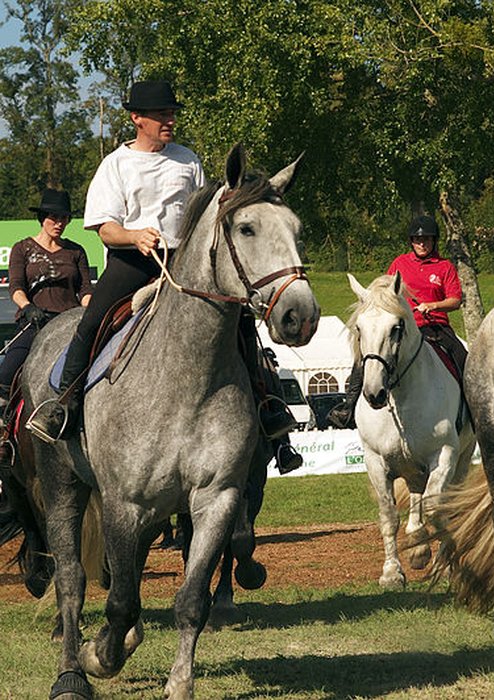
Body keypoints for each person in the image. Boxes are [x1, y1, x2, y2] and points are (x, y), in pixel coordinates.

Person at [28, 80, 302, 473]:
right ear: (137, 118)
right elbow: (105, 229)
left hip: (183, 264)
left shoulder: (187, 160)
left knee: (242, 325)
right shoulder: (116, 165)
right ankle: (63, 403)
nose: (169, 120)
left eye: (171, 113)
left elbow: (202, 218)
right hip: (133, 261)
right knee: (93, 320)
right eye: (161, 114)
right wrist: (134, 235)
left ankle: (269, 411)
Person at [328, 213, 466, 429]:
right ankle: (348, 407)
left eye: (427, 239)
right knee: (367, 356)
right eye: (417, 240)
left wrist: (433, 305)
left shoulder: (444, 267)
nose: (422, 243)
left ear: (434, 241)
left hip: (435, 327)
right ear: (411, 241)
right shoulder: (400, 263)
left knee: (463, 359)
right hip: (399, 329)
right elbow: (385, 293)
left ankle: (473, 413)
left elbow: (455, 300)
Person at [0, 189, 92, 410]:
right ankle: (4, 428)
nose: (59, 223)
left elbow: (85, 289)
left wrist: (88, 313)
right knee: (6, 371)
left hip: (70, 323)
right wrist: (28, 307)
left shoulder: (76, 251)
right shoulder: (22, 248)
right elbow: (16, 287)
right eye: (54, 217)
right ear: (42, 219)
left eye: (64, 218)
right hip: (35, 321)